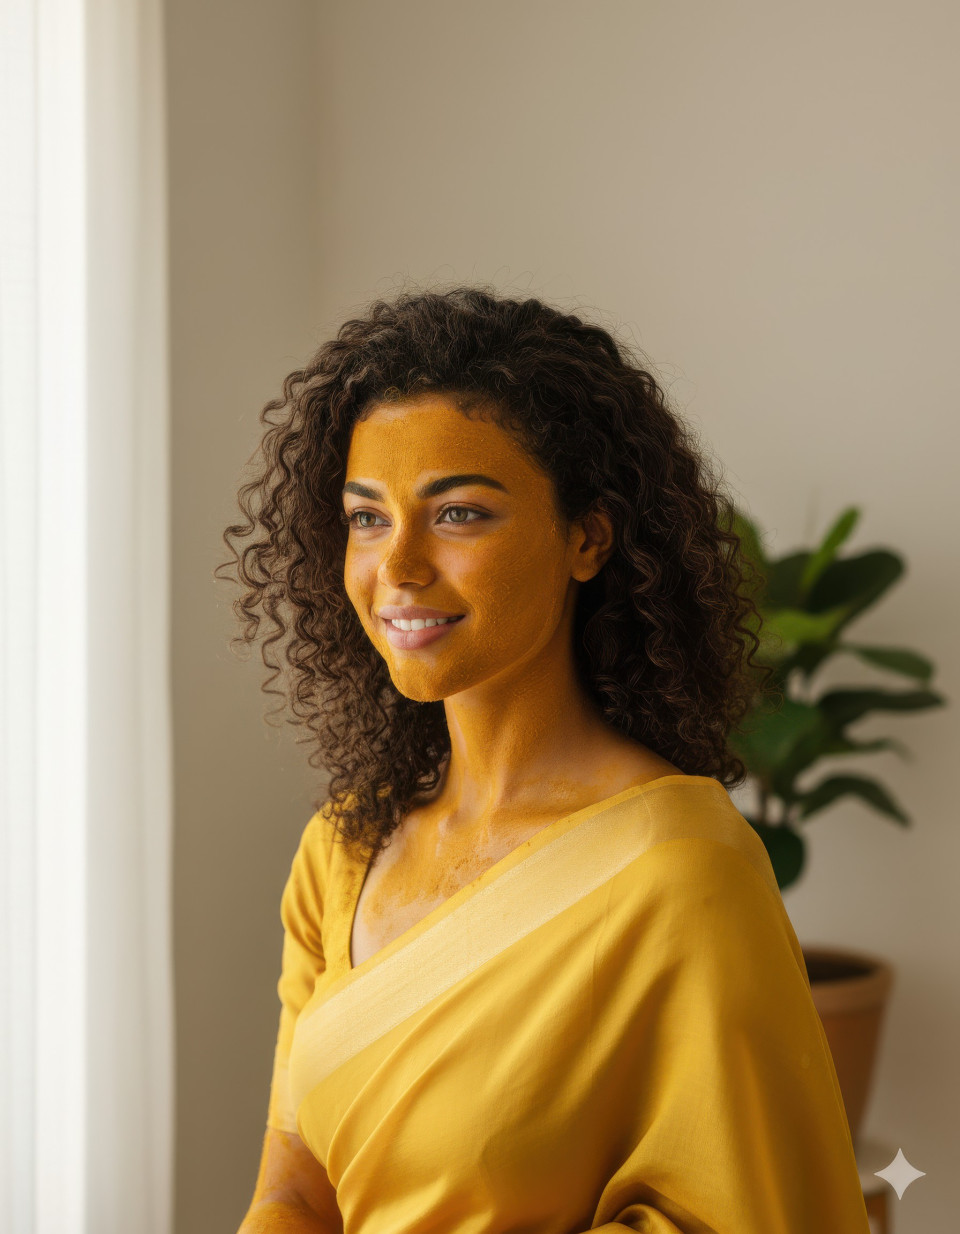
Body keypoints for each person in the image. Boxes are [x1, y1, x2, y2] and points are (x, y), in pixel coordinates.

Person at [223, 286, 871, 1233]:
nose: (396, 566)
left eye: (459, 515)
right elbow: (290, 1194)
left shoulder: (683, 871)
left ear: (587, 537)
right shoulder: (341, 852)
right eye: (367, 518)